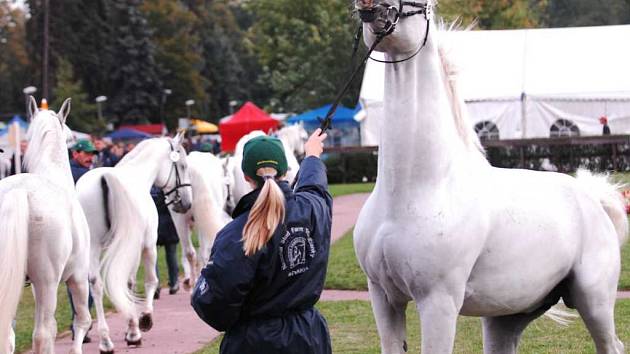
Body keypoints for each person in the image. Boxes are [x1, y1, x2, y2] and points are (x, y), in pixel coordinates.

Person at [192, 129, 332, 354]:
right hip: (309, 338)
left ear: (246, 178)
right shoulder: (314, 208)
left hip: (252, 343)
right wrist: (312, 156)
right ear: (285, 172)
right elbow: (315, 185)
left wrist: (201, 288)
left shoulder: (236, 233)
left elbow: (213, 303)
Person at [151, 186, 181, 298]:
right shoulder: (170, 186)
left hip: (155, 225)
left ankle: (156, 285)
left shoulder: (150, 188)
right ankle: (174, 283)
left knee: (153, 256)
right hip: (170, 225)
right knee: (171, 255)